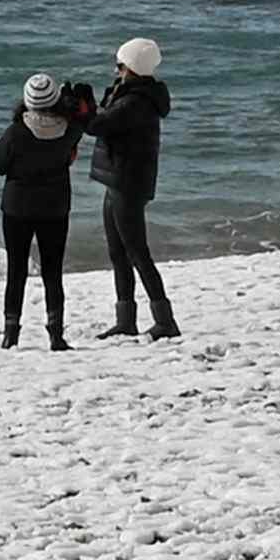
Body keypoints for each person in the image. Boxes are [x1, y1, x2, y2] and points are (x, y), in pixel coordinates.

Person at [92, 33, 181, 340]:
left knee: (137, 253)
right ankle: (126, 319)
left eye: (119, 66)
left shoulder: (136, 102)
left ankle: (165, 320)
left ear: (130, 68)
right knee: (117, 252)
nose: (116, 71)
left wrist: (78, 111)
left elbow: (99, 125)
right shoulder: (131, 94)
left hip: (127, 183)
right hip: (116, 179)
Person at [0, 69, 85, 349]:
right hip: (55, 207)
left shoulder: (16, 132)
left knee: (16, 270)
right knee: (53, 272)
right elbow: (80, 128)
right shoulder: (69, 130)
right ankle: (56, 334)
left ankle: (11, 333)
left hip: (17, 208)